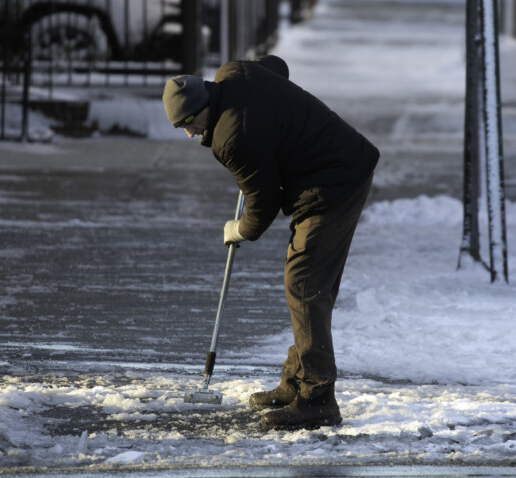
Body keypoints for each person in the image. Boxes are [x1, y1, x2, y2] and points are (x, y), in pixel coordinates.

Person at [162, 55, 379, 430]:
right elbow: (276, 66)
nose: (188, 133)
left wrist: (238, 229)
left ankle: (318, 399)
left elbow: (263, 207)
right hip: (340, 166)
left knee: (304, 284)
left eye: (187, 123)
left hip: (332, 185)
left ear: (202, 107)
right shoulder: (233, 73)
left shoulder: (233, 138)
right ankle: (296, 381)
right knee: (310, 285)